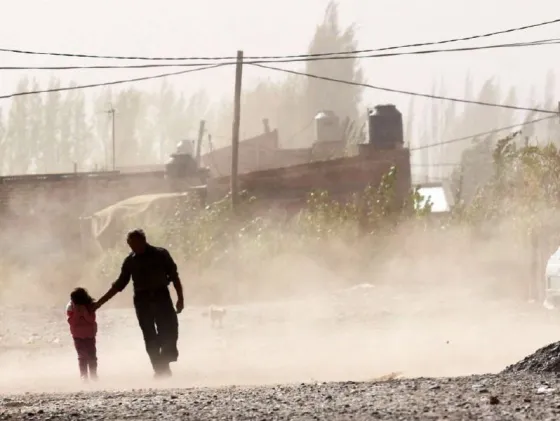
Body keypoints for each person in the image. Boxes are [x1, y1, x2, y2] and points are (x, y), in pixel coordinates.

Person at [95, 229, 184, 378]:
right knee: (149, 336)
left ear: (144, 240)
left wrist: (180, 298)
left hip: (161, 296)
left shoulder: (161, 254)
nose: (133, 247)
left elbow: (174, 276)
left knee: (170, 330)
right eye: (130, 245)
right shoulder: (130, 261)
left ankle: (164, 362)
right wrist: (99, 303)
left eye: (135, 244)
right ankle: (159, 369)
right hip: (142, 301)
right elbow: (119, 285)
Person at [66, 287, 98, 382]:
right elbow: (72, 322)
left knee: (92, 355)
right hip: (78, 336)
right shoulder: (70, 307)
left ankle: (93, 375)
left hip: (90, 335)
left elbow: (91, 320)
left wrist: (84, 313)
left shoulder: (89, 306)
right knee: (82, 356)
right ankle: (84, 376)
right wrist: (77, 314)